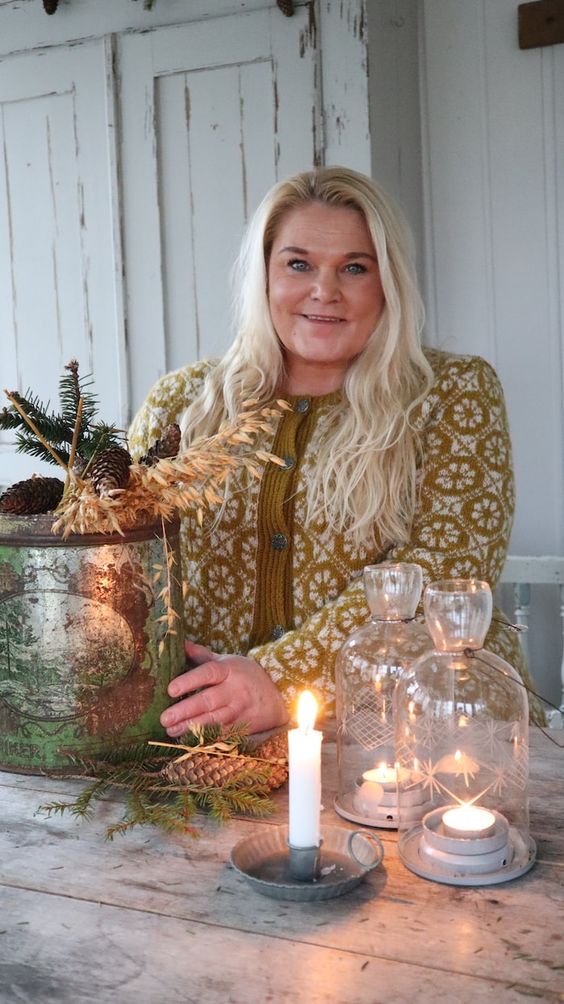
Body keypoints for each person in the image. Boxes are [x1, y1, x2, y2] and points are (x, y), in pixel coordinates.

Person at [129, 165, 537, 737]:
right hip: (212, 744)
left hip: (427, 740)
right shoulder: (182, 402)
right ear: (265, 276)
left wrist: (280, 676)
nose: (325, 291)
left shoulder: (452, 393)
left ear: (387, 282)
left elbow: (446, 573)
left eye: (354, 268)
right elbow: (118, 560)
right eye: (298, 264)